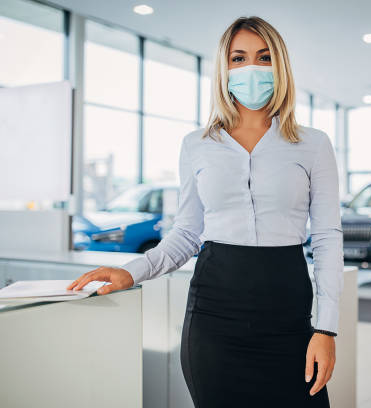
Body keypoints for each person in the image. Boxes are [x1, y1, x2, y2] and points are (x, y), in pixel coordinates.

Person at [67, 15, 344, 408]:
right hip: (214, 318)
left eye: (264, 58)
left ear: (280, 66)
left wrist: (327, 329)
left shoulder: (313, 144)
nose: (252, 68)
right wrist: (132, 271)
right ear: (224, 68)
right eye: (239, 58)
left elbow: (328, 237)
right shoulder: (197, 144)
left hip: (288, 315)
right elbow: (186, 233)